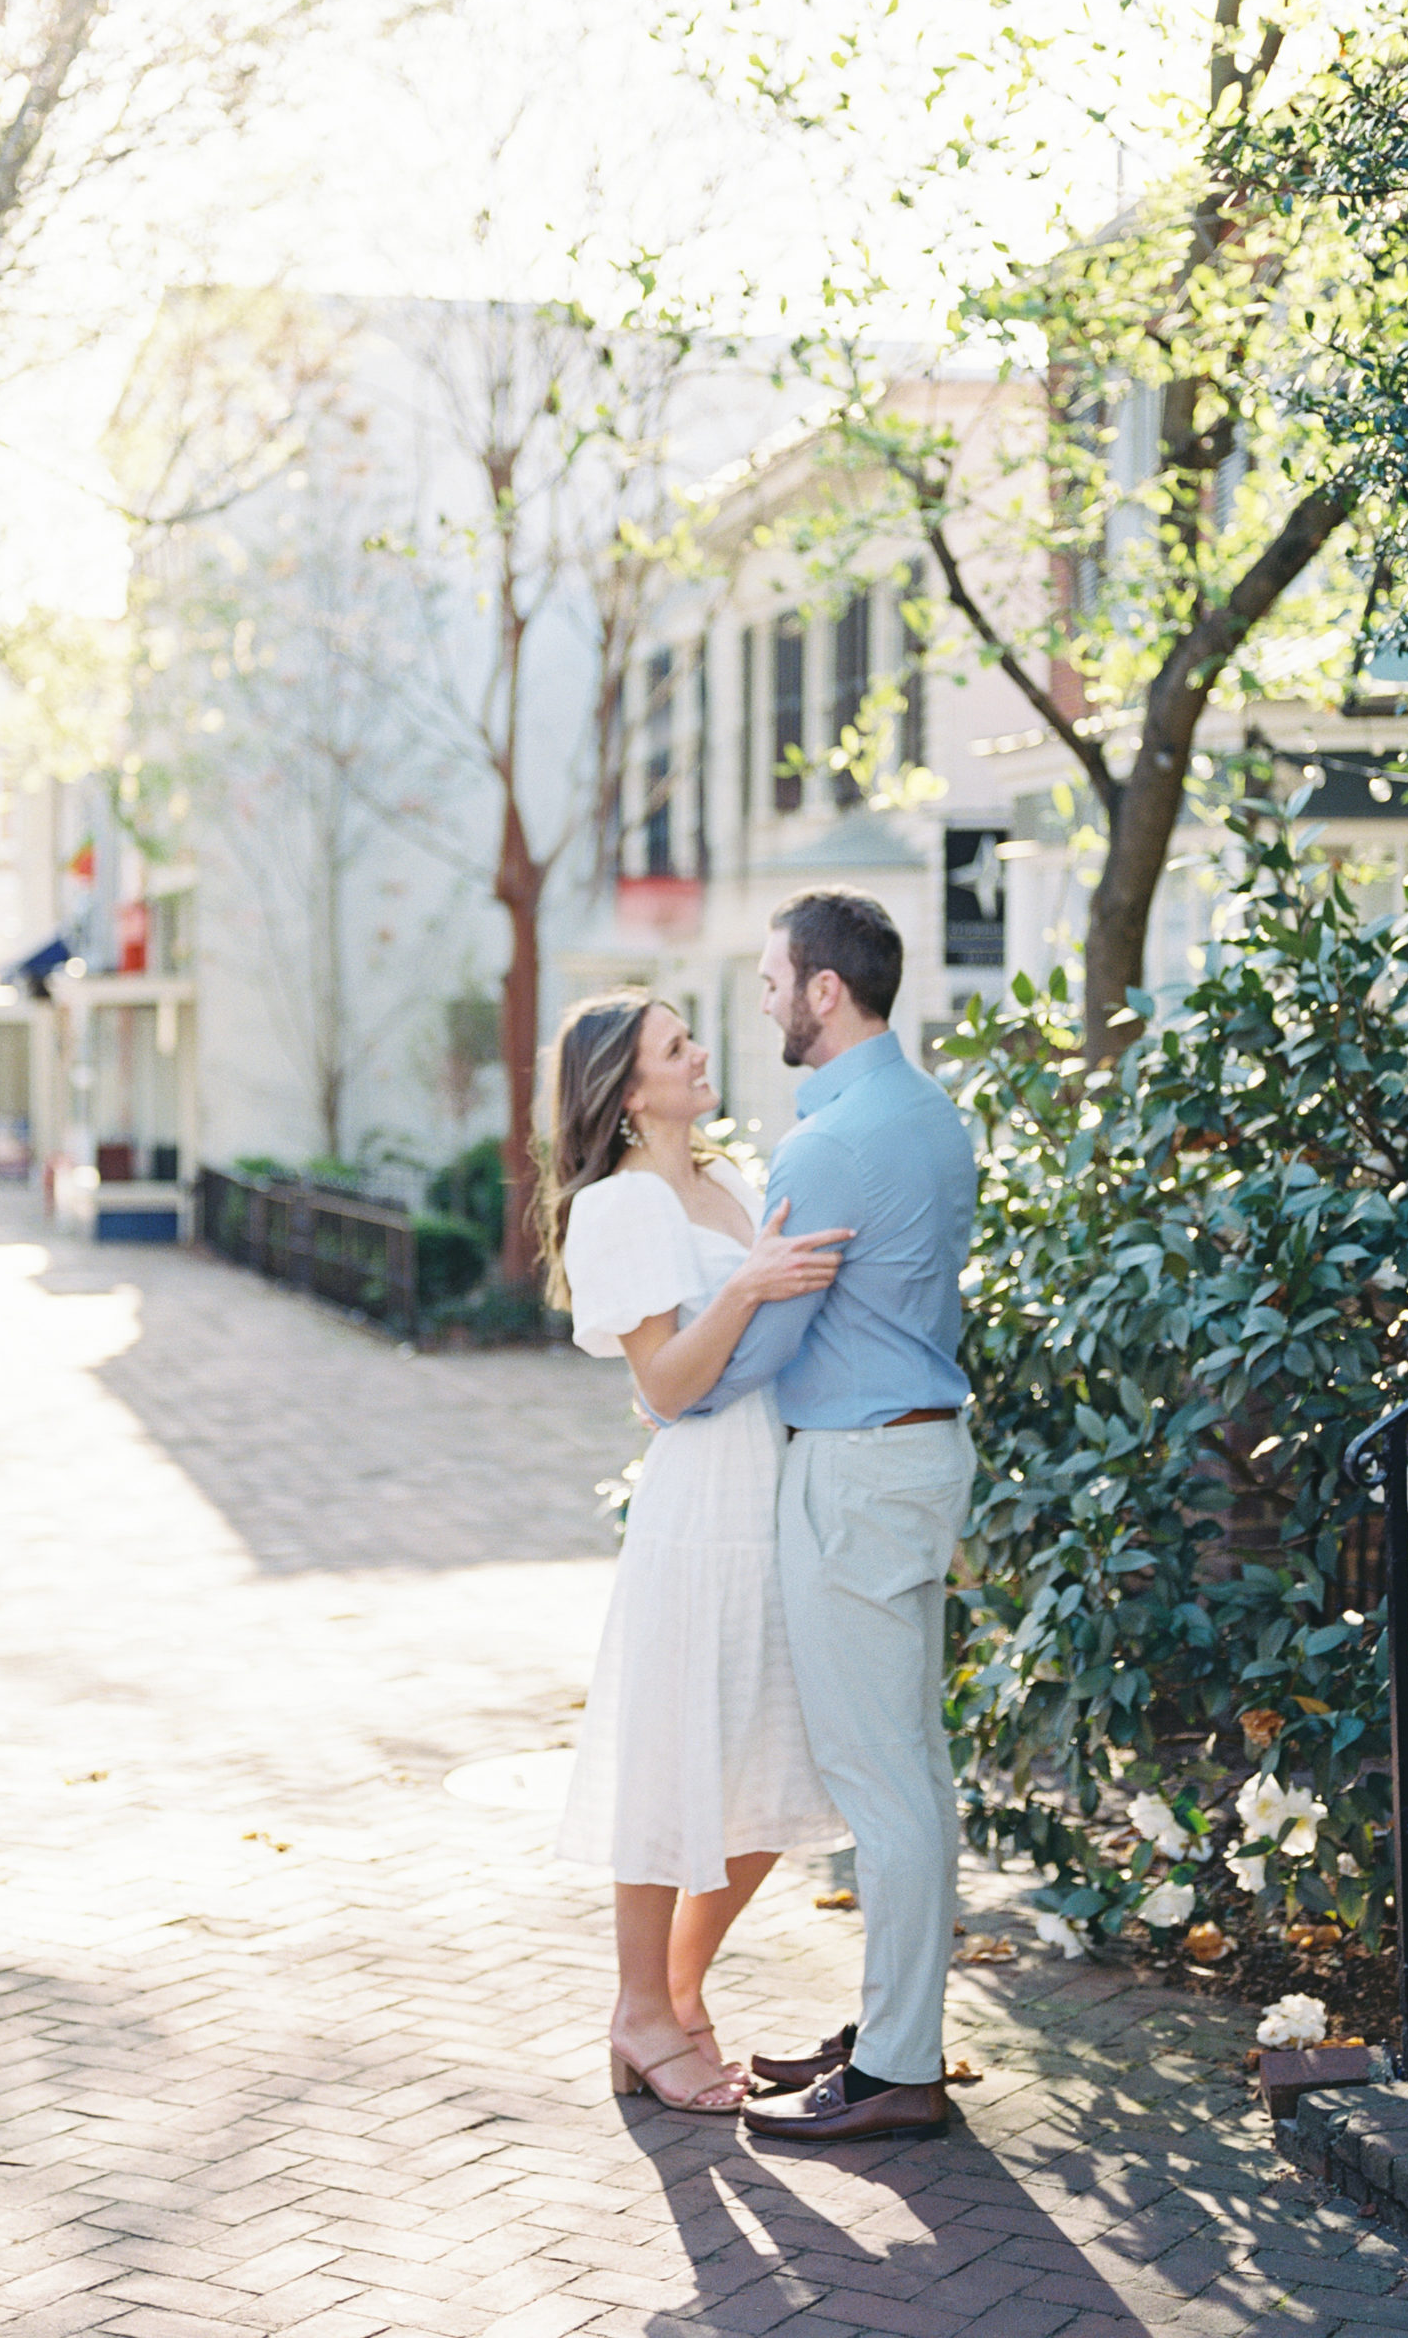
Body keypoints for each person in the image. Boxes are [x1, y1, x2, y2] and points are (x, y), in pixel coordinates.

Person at [685, 888, 978, 2148]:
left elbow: (774, 1335)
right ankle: (893, 2028)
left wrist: (674, 1390)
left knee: (880, 1778)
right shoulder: (931, 1116)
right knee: (914, 1761)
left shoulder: (828, 1146)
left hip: (856, 1472)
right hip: (917, 1460)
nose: (760, 999)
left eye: (770, 978)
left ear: (824, 990)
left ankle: (898, 2069)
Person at [543, 989, 851, 2118]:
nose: (702, 1051)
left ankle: (672, 1990)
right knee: (673, 1764)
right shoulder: (620, 1207)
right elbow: (663, 1385)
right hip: (699, 1506)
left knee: (779, 1761)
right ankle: (639, 2006)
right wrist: (754, 1287)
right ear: (629, 1091)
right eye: (677, 1047)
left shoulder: (727, 1179)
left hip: (776, 1491)